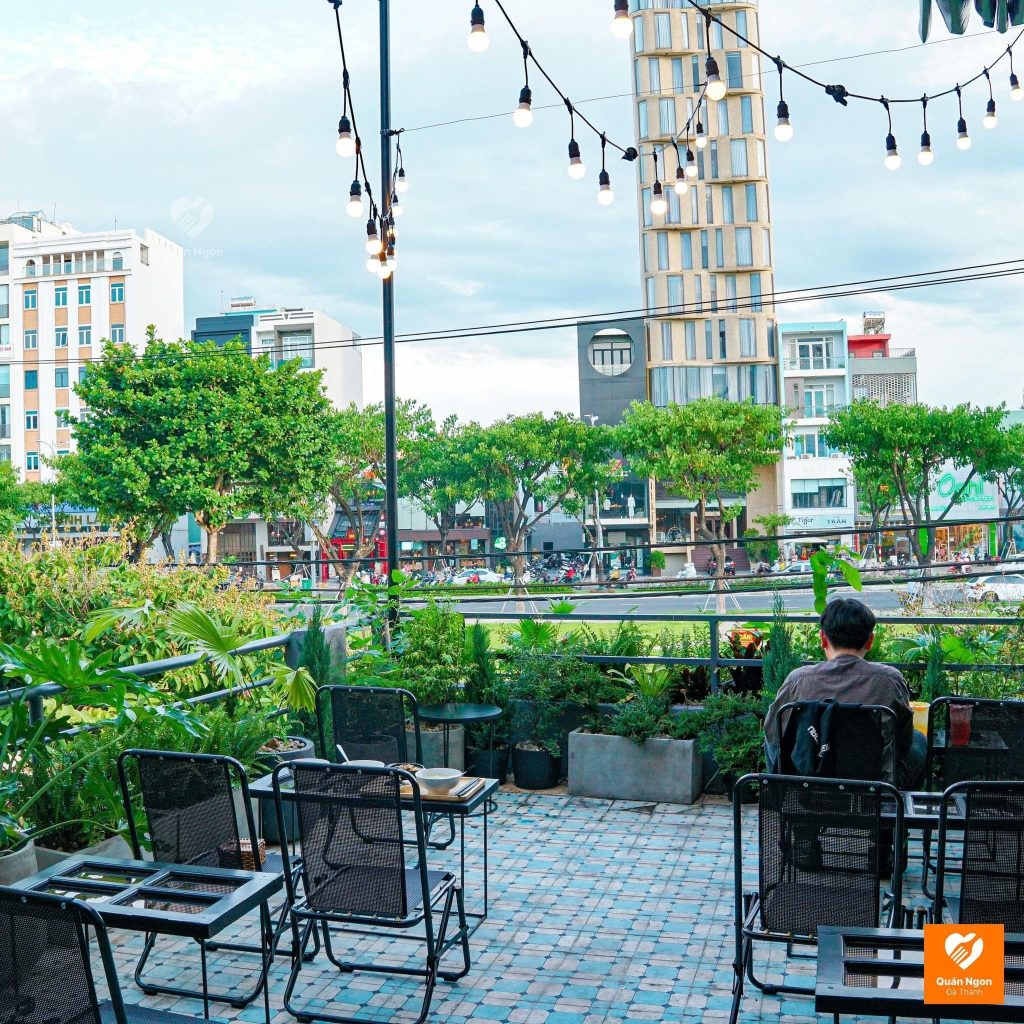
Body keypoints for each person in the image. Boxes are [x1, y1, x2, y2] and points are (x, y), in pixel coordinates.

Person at [763, 597, 926, 789]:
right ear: (870, 641)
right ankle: (896, 802)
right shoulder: (890, 680)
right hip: (875, 787)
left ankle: (785, 790)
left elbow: (773, 734)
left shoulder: (797, 680)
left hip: (810, 784)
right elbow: (903, 739)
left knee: (772, 741)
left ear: (823, 638)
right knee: (918, 740)